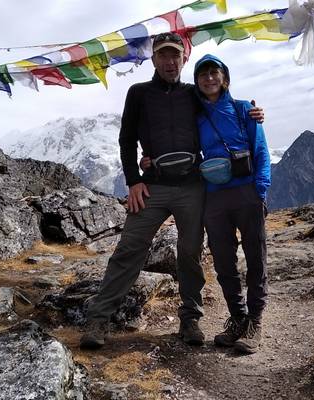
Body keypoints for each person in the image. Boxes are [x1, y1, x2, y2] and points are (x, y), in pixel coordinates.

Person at [79, 33, 263, 349]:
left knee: (190, 253)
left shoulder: (194, 94)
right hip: (151, 186)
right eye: (163, 55)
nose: (169, 61)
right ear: (153, 60)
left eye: (175, 55)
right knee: (129, 249)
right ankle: (98, 320)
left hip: (192, 186)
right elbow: (127, 140)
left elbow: (222, 106)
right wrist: (133, 180)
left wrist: (251, 112)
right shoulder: (138, 93)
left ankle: (190, 319)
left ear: (184, 59)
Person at [193, 54, 271, 354]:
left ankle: (255, 322)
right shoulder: (196, 116)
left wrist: (260, 190)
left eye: (214, 73)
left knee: (255, 258)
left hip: (247, 193)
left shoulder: (244, 110)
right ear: (197, 82)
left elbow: (260, 150)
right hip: (214, 197)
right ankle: (238, 318)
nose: (209, 78)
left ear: (224, 78)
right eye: (203, 74)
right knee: (224, 262)